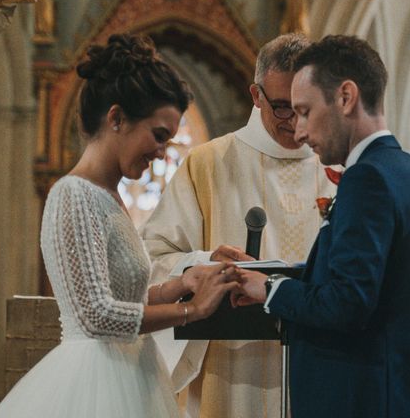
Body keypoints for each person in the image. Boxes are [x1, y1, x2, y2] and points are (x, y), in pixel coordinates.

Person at [0, 34, 239, 418]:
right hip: (94, 383)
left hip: (132, 372)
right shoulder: (72, 194)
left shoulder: (111, 197)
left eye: (169, 140)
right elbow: (98, 316)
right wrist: (193, 311)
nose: (162, 152)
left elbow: (125, 297)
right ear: (117, 118)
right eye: (158, 136)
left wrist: (181, 286)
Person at [232, 35, 410, 417]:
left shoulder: (368, 180)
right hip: (395, 396)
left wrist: (269, 288)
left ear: (346, 97)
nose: (298, 131)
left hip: (358, 400)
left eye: (305, 111)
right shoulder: (404, 170)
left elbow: (348, 303)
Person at [141, 33, 336, 417]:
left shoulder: (337, 167)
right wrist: (202, 263)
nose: (294, 123)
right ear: (256, 95)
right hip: (229, 371)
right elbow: (152, 257)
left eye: (304, 108)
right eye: (281, 107)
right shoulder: (209, 164)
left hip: (319, 359)